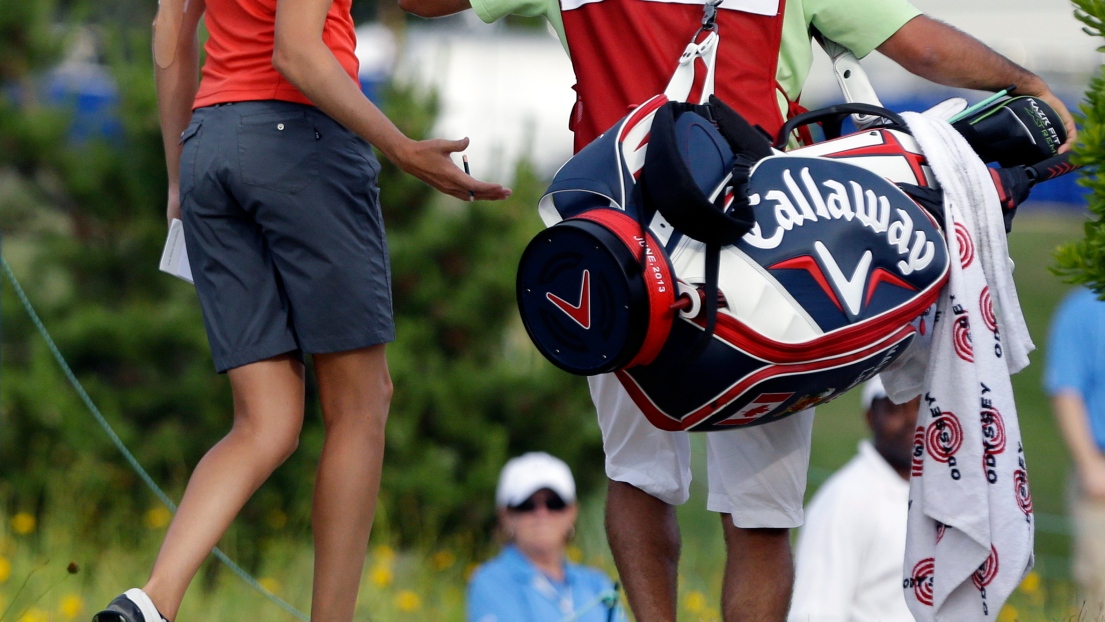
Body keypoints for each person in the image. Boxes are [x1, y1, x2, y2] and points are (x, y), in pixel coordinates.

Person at [399, 0, 1077, 620]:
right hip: (760, 250)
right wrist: (1027, 84)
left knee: (638, 478)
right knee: (758, 516)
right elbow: (918, 47)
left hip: (619, 250)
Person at [92, 0, 511, 621]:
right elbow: (296, 51)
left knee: (265, 421)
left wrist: (181, 178)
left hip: (209, 146)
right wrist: (401, 148)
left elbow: (169, 34)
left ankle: (151, 602)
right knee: (360, 408)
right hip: (301, 145)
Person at [787, 376, 920, 622]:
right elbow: (814, 613)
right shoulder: (846, 500)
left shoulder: (945, 498)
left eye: (922, 406)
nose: (912, 419)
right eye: (895, 407)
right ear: (870, 417)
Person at [467, 452, 625, 622]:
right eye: (526, 505)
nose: (542, 513)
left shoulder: (597, 584)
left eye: (554, 503)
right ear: (506, 516)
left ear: (572, 512)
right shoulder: (491, 582)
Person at [1045, 287, 1105, 615]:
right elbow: (1066, 389)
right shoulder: (1082, 309)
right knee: (1099, 593)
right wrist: (1089, 465)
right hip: (1100, 467)